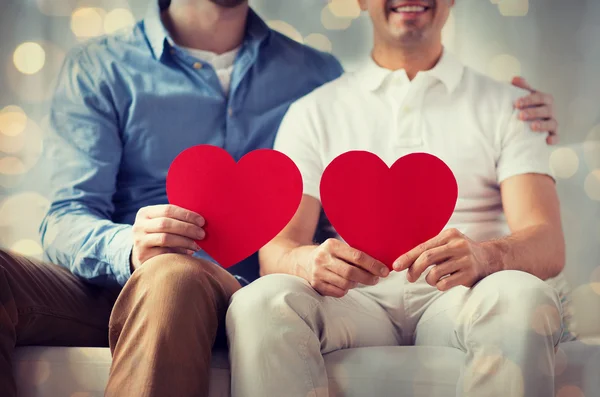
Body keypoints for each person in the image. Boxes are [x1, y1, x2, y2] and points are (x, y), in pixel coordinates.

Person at [0, 0, 558, 396]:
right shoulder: (103, 67)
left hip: (203, 283)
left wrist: (533, 115)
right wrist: (128, 244)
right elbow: (67, 215)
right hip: (114, 275)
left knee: (174, 275)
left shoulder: (310, 75)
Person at [226, 1, 571, 396]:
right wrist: (308, 260)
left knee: (524, 296)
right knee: (258, 302)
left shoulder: (514, 107)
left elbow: (547, 241)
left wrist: (485, 255)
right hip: (353, 302)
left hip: (465, 296)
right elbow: (279, 249)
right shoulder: (312, 112)